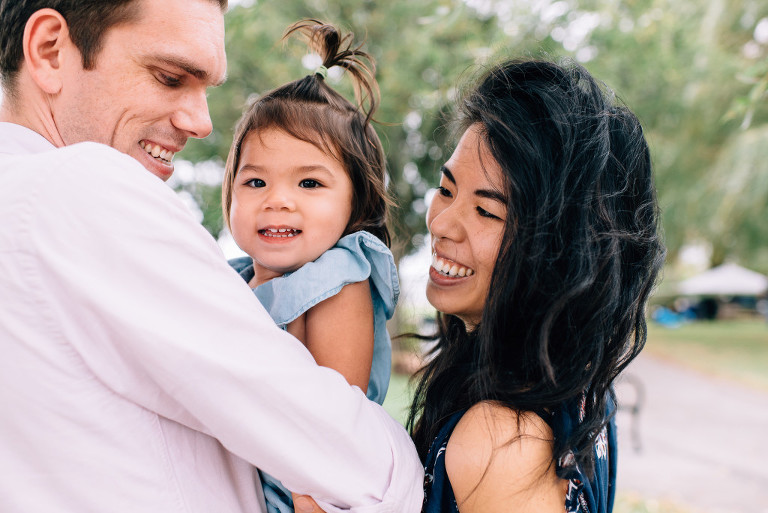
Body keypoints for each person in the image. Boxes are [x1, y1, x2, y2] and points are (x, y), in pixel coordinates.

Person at [0, 2, 423, 512]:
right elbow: (354, 462)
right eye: (170, 76)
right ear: (49, 50)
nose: (202, 122)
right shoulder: (77, 187)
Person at [406, 59, 665, 512]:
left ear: (559, 253)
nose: (442, 222)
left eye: (487, 212)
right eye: (446, 190)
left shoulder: (503, 442)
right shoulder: (584, 393)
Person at [223, 20, 398, 513]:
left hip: (301, 492)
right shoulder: (230, 281)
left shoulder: (337, 281)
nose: (277, 201)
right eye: (255, 183)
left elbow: (335, 424)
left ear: (355, 203)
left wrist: (307, 500)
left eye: (309, 184)